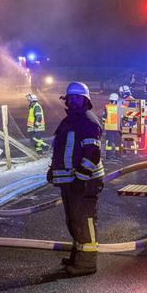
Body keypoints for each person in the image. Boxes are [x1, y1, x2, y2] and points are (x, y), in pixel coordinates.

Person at [46, 81, 105, 276]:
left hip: (84, 182)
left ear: (86, 100)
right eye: (70, 98)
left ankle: (87, 263)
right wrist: (53, 170)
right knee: (74, 220)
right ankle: (77, 256)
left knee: (84, 220)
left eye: (77, 98)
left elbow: (92, 153)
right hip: (70, 181)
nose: (73, 101)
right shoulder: (69, 121)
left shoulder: (88, 120)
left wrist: (81, 178)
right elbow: (62, 150)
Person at [101, 93, 121, 160]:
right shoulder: (120, 107)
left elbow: (104, 117)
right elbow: (122, 117)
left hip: (109, 128)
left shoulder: (107, 106)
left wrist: (103, 124)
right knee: (117, 143)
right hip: (117, 128)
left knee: (109, 143)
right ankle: (117, 155)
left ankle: (108, 155)